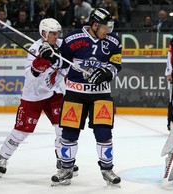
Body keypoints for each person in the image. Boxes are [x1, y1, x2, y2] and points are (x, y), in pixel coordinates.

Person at [0, 18, 78, 178]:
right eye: (53, 33)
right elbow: (29, 75)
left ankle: (62, 159)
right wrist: (41, 62)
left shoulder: (61, 44)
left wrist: (58, 58)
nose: (56, 36)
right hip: (34, 95)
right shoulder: (35, 49)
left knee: (62, 127)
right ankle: (2, 157)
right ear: (44, 33)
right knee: (21, 131)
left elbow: (69, 60)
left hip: (54, 92)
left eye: (57, 33)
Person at [50, 8, 122, 187]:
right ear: (95, 25)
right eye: (105, 27)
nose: (108, 31)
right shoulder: (73, 39)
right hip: (75, 94)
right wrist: (49, 56)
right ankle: (66, 168)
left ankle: (107, 169)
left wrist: (107, 73)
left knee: (104, 133)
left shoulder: (114, 42)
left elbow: (116, 65)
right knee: (69, 133)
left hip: (101, 95)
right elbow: (61, 62)